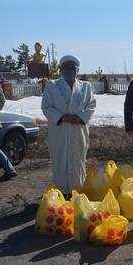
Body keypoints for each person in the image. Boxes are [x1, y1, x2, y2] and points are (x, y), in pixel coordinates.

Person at [41, 55, 96, 197]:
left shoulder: (85, 87)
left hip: (78, 131)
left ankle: (78, 192)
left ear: (78, 70)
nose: (70, 70)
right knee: (60, 160)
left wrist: (80, 118)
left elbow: (91, 105)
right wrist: (63, 117)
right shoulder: (51, 86)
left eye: (73, 68)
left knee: (78, 160)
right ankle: (61, 192)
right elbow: (46, 107)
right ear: (61, 69)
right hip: (60, 131)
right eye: (67, 67)